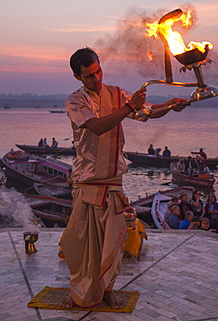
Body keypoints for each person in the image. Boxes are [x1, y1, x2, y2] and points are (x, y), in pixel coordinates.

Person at [60, 47, 187, 309]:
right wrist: (130, 106)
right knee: (83, 245)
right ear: (77, 77)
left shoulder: (117, 94)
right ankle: (80, 292)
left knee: (112, 245)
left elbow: (146, 112)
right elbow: (96, 126)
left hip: (112, 182)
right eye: (89, 76)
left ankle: (106, 291)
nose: (96, 79)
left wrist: (170, 105)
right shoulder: (75, 101)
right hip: (86, 181)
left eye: (98, 72)